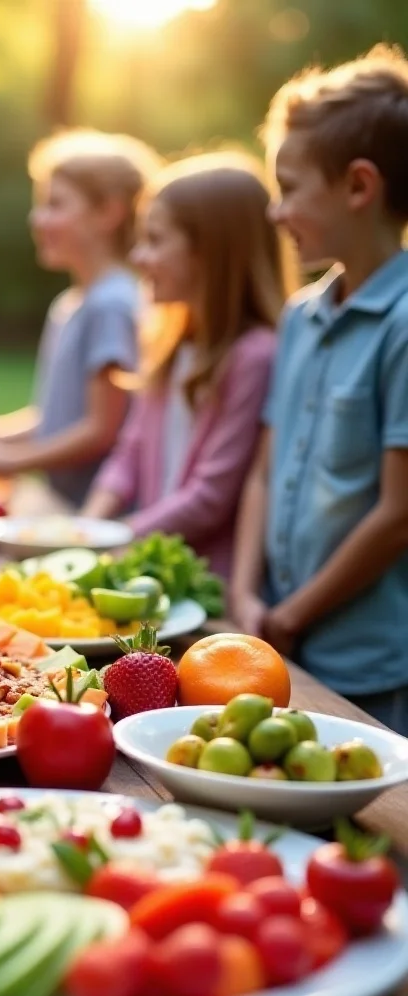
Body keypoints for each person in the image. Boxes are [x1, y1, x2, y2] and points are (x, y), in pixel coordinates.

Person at [230, 46, 408, 732]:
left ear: (359, 186)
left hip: (370, 664)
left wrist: (293, 613)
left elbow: (397, 515)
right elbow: (262, 474)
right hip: (278, 638)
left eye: (291, 187)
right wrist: (248, 594)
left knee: (373, 833)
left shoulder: (400, 325)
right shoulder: (299, 318)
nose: (276, 213)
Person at [82, 153, 292, 576]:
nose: (139, 256)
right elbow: (130, 452)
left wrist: (117, 538)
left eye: (155, 240)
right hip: (148, 566)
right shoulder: (171, 345)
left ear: (210, 252)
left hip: (203, 582)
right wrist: (85, 527)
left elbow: (210, 496)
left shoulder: (255, 355)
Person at [0, 130, 161, 507]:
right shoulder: (71, 304)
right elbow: (56, 417)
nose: (37, 218)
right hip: (64, 503)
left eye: (55, 205)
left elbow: (101, 429)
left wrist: (11, 461)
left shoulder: (111, 305)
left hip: (94, 515)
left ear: (107, 213)